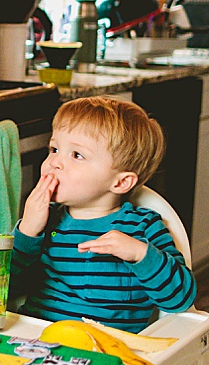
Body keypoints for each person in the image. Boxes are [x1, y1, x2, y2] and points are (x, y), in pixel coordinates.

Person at [13, 95, 195, 333]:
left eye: (76, 155)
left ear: (121, 183)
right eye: (54, 148)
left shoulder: (143, 227)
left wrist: (139, 254)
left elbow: (181, 300)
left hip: (109, 354)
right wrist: (27, 231)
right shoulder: (44, 221)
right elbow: (5, 290)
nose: (54, 162)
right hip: (35, 341)